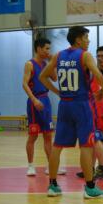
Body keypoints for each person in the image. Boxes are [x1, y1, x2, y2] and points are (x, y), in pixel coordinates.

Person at [39, 26, 103, 199]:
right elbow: (99, 75)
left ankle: (52, 185)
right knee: (86, 145)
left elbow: (42, 77)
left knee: (57, 146)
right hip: (81, 104)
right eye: (86, 37)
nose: (88, 41)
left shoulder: (58, 55)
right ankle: (90, 187)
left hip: (64, 105)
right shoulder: (85, 55)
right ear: (78, 39)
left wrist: (57, 92)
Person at [23, 38, 65, 176]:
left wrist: (53, 63)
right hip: (34, 101)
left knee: (48, 135)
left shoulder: (46, 64)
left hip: (46, 100)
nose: (48, 51)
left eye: (49, 49)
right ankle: (30, 166)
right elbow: (24, 84)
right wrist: (34, 100)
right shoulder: (29, 64)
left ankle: (51, 166)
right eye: (46, 48)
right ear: (39, 48)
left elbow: (54, 78)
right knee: (33, 136)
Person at [76, 73, 103, 179]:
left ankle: (102, 167)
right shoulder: (90, 74)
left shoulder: (89, 75)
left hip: (96, 110)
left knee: (97, 138)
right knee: (93, 140)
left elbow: (95, 93)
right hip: (95, 109)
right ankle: (91, 168)